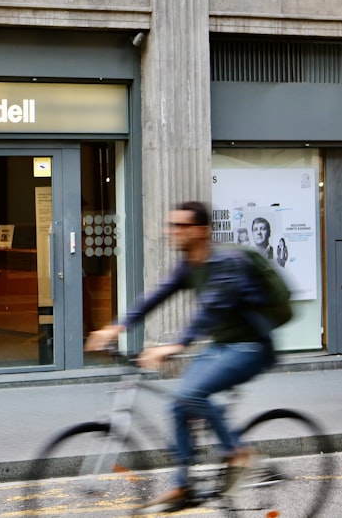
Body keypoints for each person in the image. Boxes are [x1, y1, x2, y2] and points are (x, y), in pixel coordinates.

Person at [86, 201, 277, 514]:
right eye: (170, 225)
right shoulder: (190, 266)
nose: (171, 231)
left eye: (180, 226)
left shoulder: (226, 263)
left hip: (251, 347)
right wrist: (115, 327)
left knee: (191, 393)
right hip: (221, 346)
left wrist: (172, 346)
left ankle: (239, 453)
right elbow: (155, 296)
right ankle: (182, 486)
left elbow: (210, 310)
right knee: (178, 404)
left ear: (201, 231)